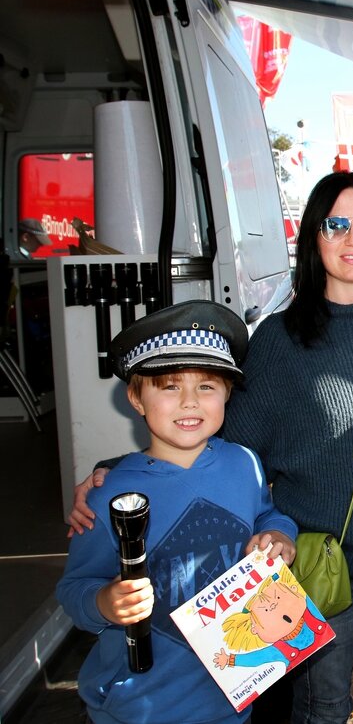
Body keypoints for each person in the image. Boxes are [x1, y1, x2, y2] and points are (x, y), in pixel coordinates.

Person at [68, 171, 353, 724]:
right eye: (337, 224)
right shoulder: (279, 340)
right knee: (321, 708)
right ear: (313, 237)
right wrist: (118, 471)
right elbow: (213, 434)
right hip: (317, 562)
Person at [56, 300, 298, 724]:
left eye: (207, 386)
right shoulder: (105, 496)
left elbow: (266, 515)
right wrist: (104, 602)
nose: (189, 402)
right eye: (168, 386)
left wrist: (279, 535)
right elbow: (75, 589)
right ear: (136, 397)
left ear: (227, 393)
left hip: (232, 692)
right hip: (138, 706)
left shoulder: (245, 464)